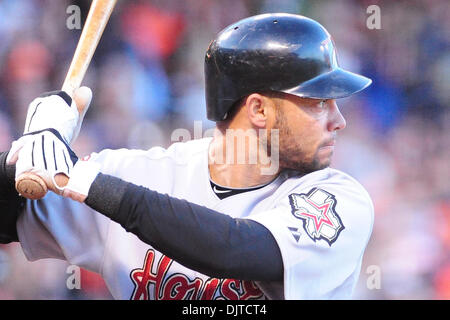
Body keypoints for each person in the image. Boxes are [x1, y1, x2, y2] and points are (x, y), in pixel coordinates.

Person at [0, 13, 374, 300]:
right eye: (320, 103)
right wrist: (26, 152)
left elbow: (233, 250)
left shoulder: (339, 199)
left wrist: (85, 181)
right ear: (258, 110)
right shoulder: (141, 173)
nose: (338, 121)